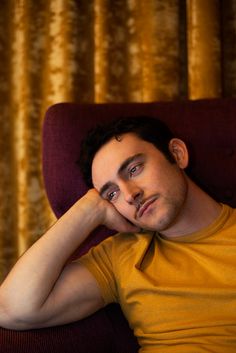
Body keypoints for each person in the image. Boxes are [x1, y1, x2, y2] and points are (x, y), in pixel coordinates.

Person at [0, 116, 236, 352]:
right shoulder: (121, 256)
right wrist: (88, 211)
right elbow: (11, 310)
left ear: (176, 153)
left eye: (134, 169)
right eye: (111, 194)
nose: (129, 195)